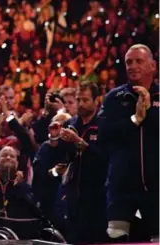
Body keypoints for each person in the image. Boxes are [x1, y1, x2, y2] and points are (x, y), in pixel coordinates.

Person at [99, 44, 159, 242]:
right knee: (116, 237)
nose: (132, 66)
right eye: (129, 62)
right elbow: (104, 135)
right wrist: (134, 120)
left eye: (139, 61)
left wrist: (149, 112)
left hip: (156, 188)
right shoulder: (114, 98)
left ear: (153, 66)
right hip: (121, 188)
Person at [59, 81, 107, 244]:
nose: (80, 104)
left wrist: (79, 142)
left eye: (85, 100)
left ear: (96, 100)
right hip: (73, 197)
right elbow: (64, 156)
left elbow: (104, 158)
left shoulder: (104, 124)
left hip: (97, 196)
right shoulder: (70, 124)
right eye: (78, 100)